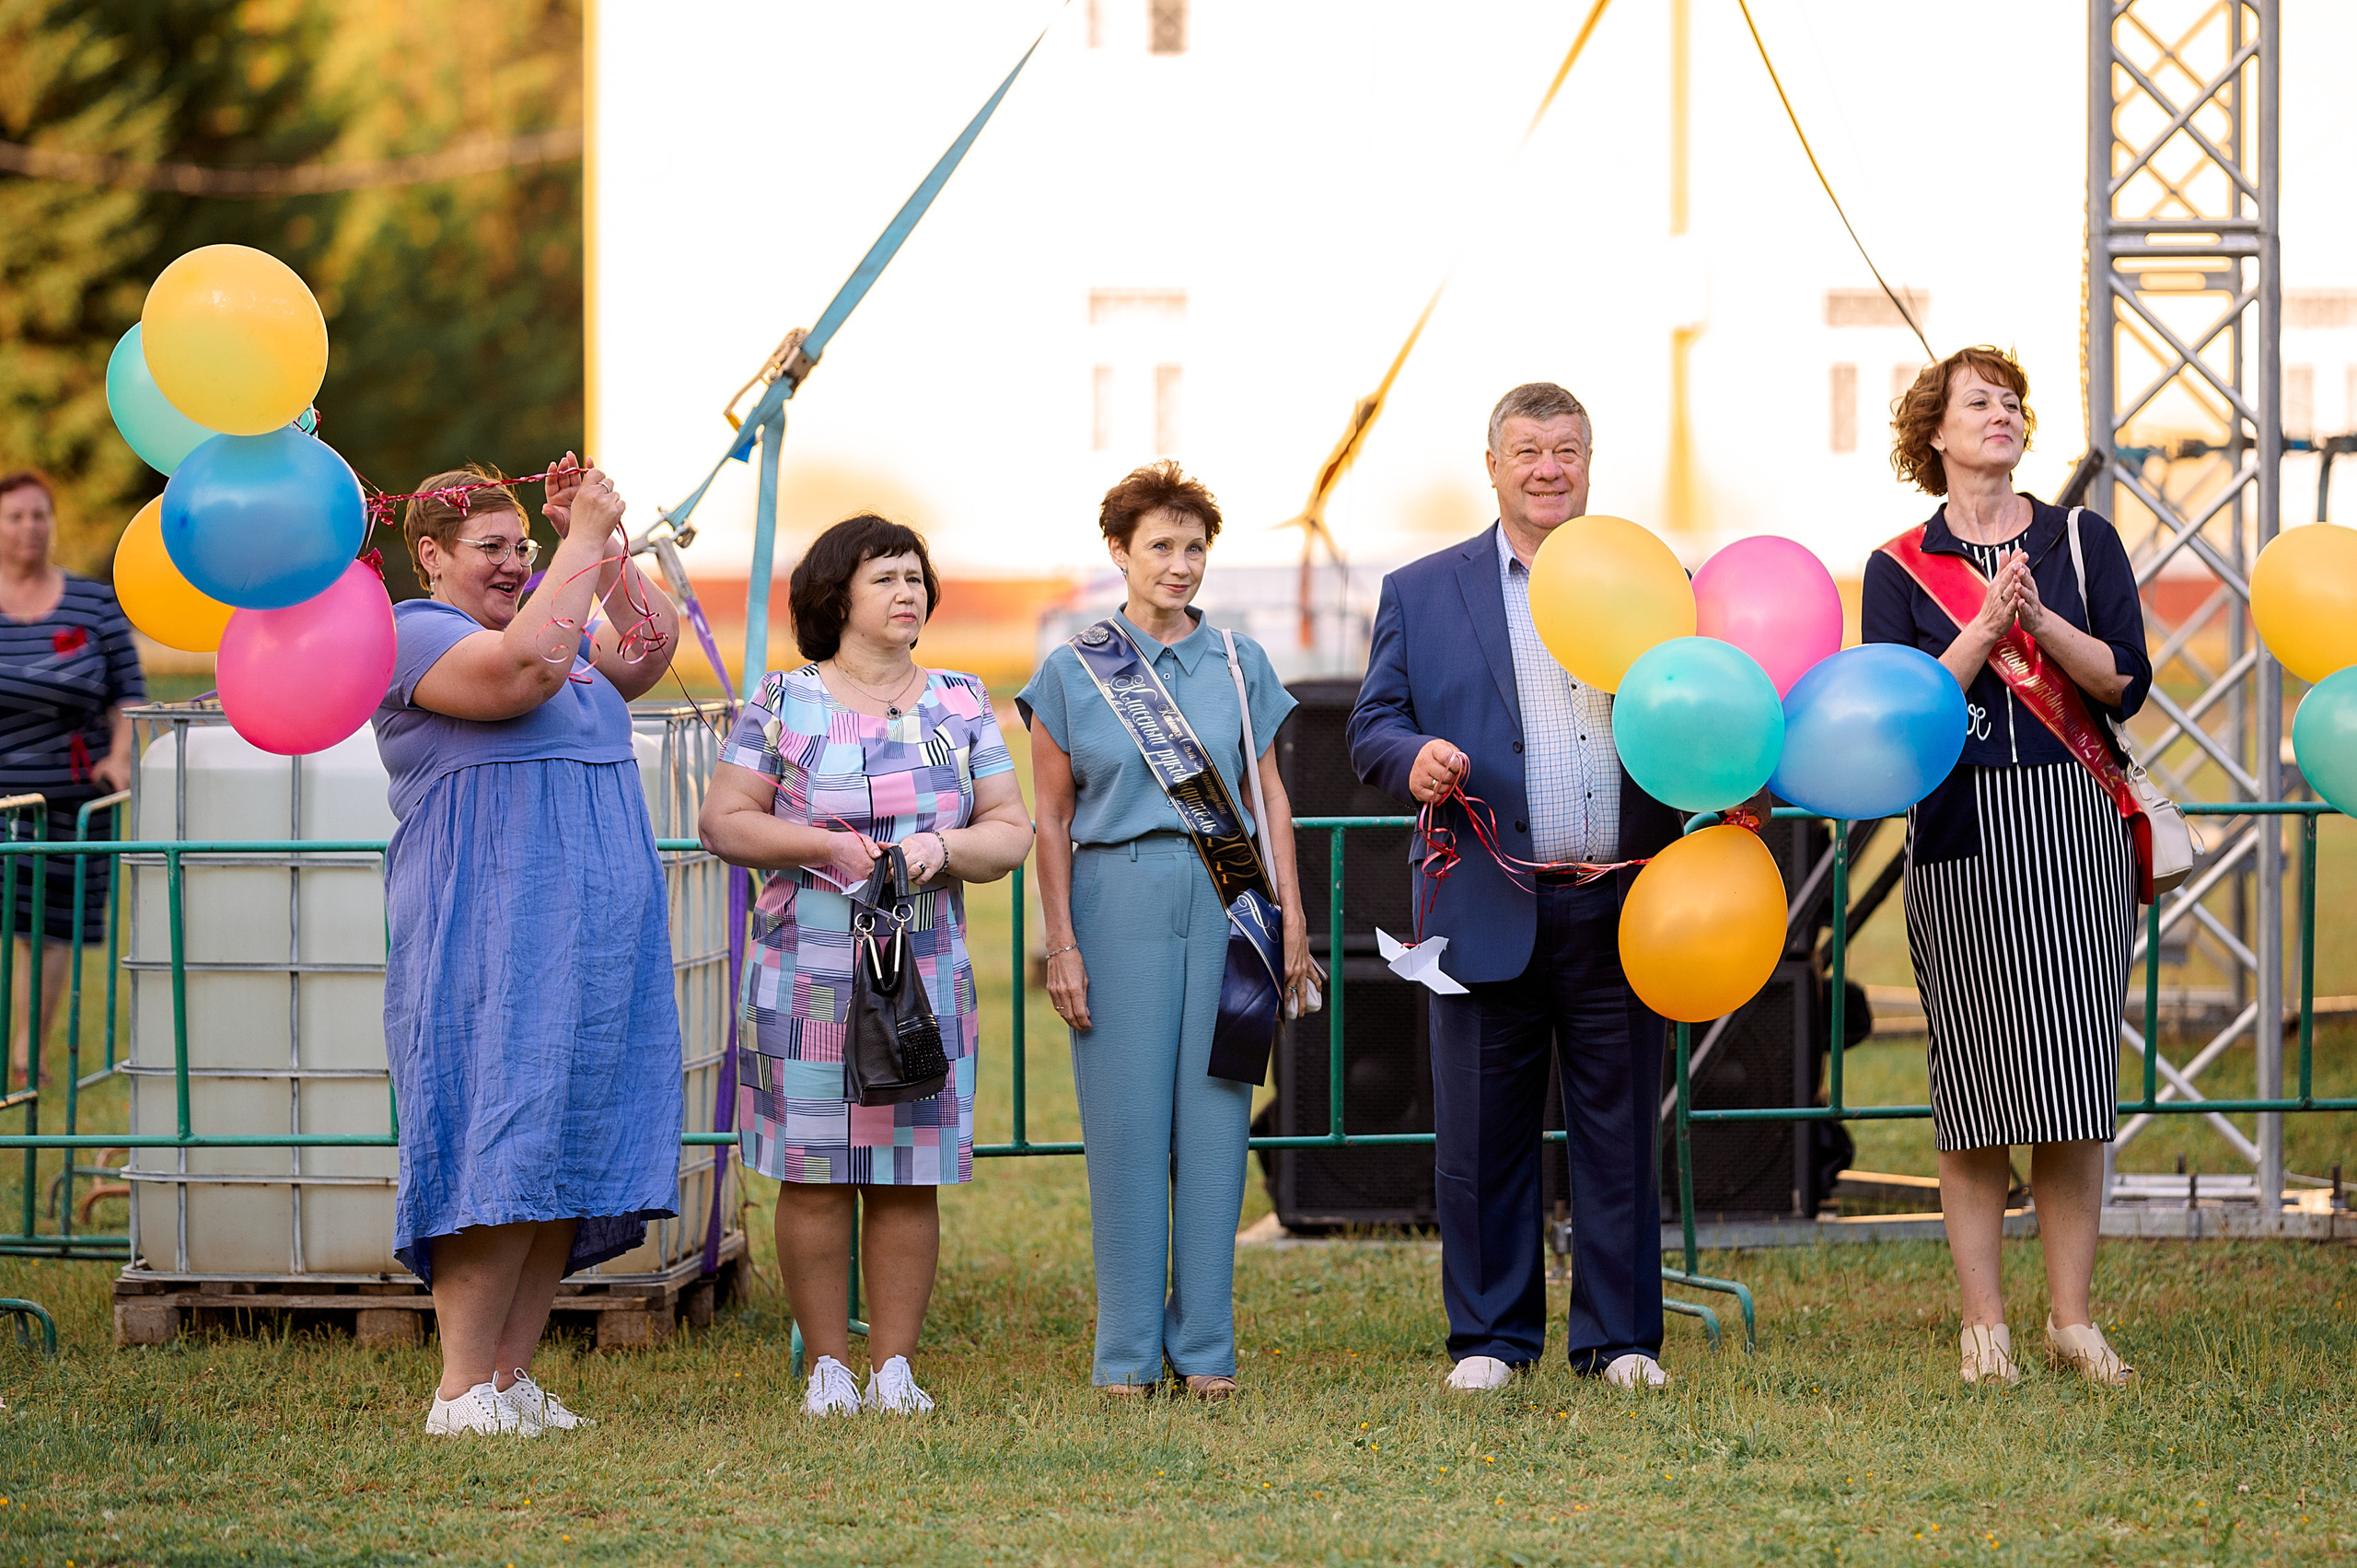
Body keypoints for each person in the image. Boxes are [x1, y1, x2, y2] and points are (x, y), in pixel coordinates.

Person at [1348, 383, 1684, 1393]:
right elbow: (1372, 725)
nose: (1549, 467)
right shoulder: (1421, 588)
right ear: (1491, 464)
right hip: (1487, 901)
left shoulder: (1651, 581)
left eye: (1568, 449)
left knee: (1618, 1132)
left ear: (1591, 462)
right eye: (1529, 449)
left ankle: (1619, 1339)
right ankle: (1491, 1340)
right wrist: (1411, 757)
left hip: (1625, 900)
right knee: (1483, 1137)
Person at [370, 458, 684, 1436]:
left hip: (589, 924)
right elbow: (522, 675)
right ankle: (459, 1386)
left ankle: (508, 1377)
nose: (515, 564)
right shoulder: (416, 633)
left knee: (562, 1142)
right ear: (430, 553)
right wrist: (578, 546)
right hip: (493, 922)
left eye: (525, 546)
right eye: (490, 548)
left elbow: (648, 646)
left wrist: (610, 551)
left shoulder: (560, 623)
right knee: (495, 1136)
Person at [699, 515, 1032, 1418]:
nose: (906, 590)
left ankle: (893, 1365)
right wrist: (823, 846)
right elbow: (724, 819)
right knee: (813, 1169)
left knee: (905, 1170)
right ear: (835, 592)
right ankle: (827, 1367)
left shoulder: (962, 700)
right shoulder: (781, 699)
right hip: (804, 968)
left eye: (915, 576)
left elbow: (1011, 828)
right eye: (885, 576)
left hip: (921, 973)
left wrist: (939, 848)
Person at [1863, 347, 2150, 1388]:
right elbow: (1896, 716)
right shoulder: (1897, 567)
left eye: (2012, 401)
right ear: (1933, 433)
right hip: (1958, 835)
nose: (2002, 412)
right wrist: (1982, 628)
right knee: (1975, 1083)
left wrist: (2038, 619)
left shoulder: (2082, 538)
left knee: (2073, 1080)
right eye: (1978, 400)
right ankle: (1983, 1323)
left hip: (2075, 826)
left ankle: (2070, 1319)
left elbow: (2125, 682)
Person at [1017, 461, 1311, 1400]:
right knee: (1128, 1125)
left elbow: (1269, 793)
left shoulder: (1239, 661)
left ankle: (1208, 1347)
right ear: (1118, 551)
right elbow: (1050, 819)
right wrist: (1057, 941)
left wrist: (1291, 912)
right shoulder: (1070, 671)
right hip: (1117, 898)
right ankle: (1127, 1351)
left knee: (1218, 1116)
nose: (1179, 564)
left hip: (1229, 899)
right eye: (1160, 546)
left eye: (1193, 548)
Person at [0, 471, 142, 1085]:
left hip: (73, 794)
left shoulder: (93, 602)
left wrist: (120, 756)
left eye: (40, 515)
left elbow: (128, 695)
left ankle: (28, 1056)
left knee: (51, 928)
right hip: (2, 793)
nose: (30, 528)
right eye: (15, 517)